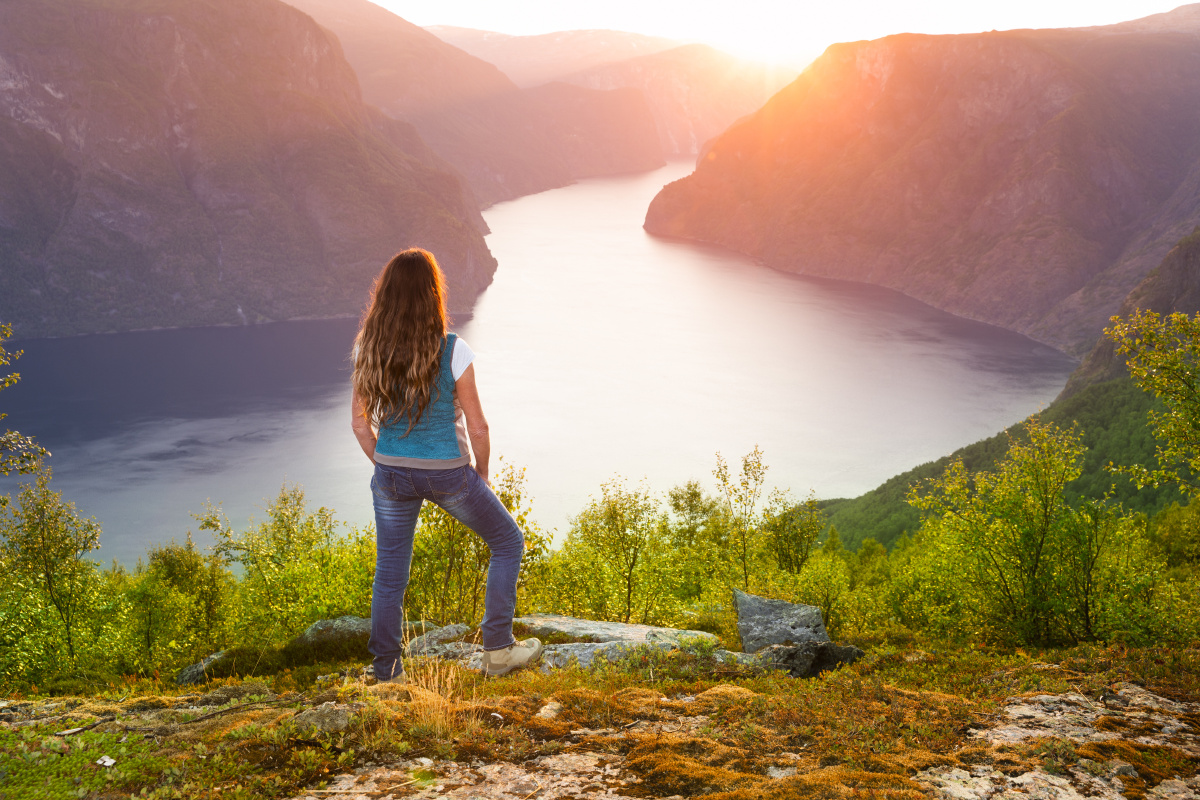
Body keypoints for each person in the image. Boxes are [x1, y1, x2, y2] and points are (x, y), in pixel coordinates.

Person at [350, 248, 542, 681]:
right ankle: (498, 651)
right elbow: (478, 427)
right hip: (448, 476)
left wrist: (388, 464)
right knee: (508, 542)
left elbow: (360, 426)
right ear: (432, 294)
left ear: (385, 295)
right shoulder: (453, 350)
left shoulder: (367, 347)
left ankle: (387, 672)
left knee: (389, 575)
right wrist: (482, 475)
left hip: (390, 474)